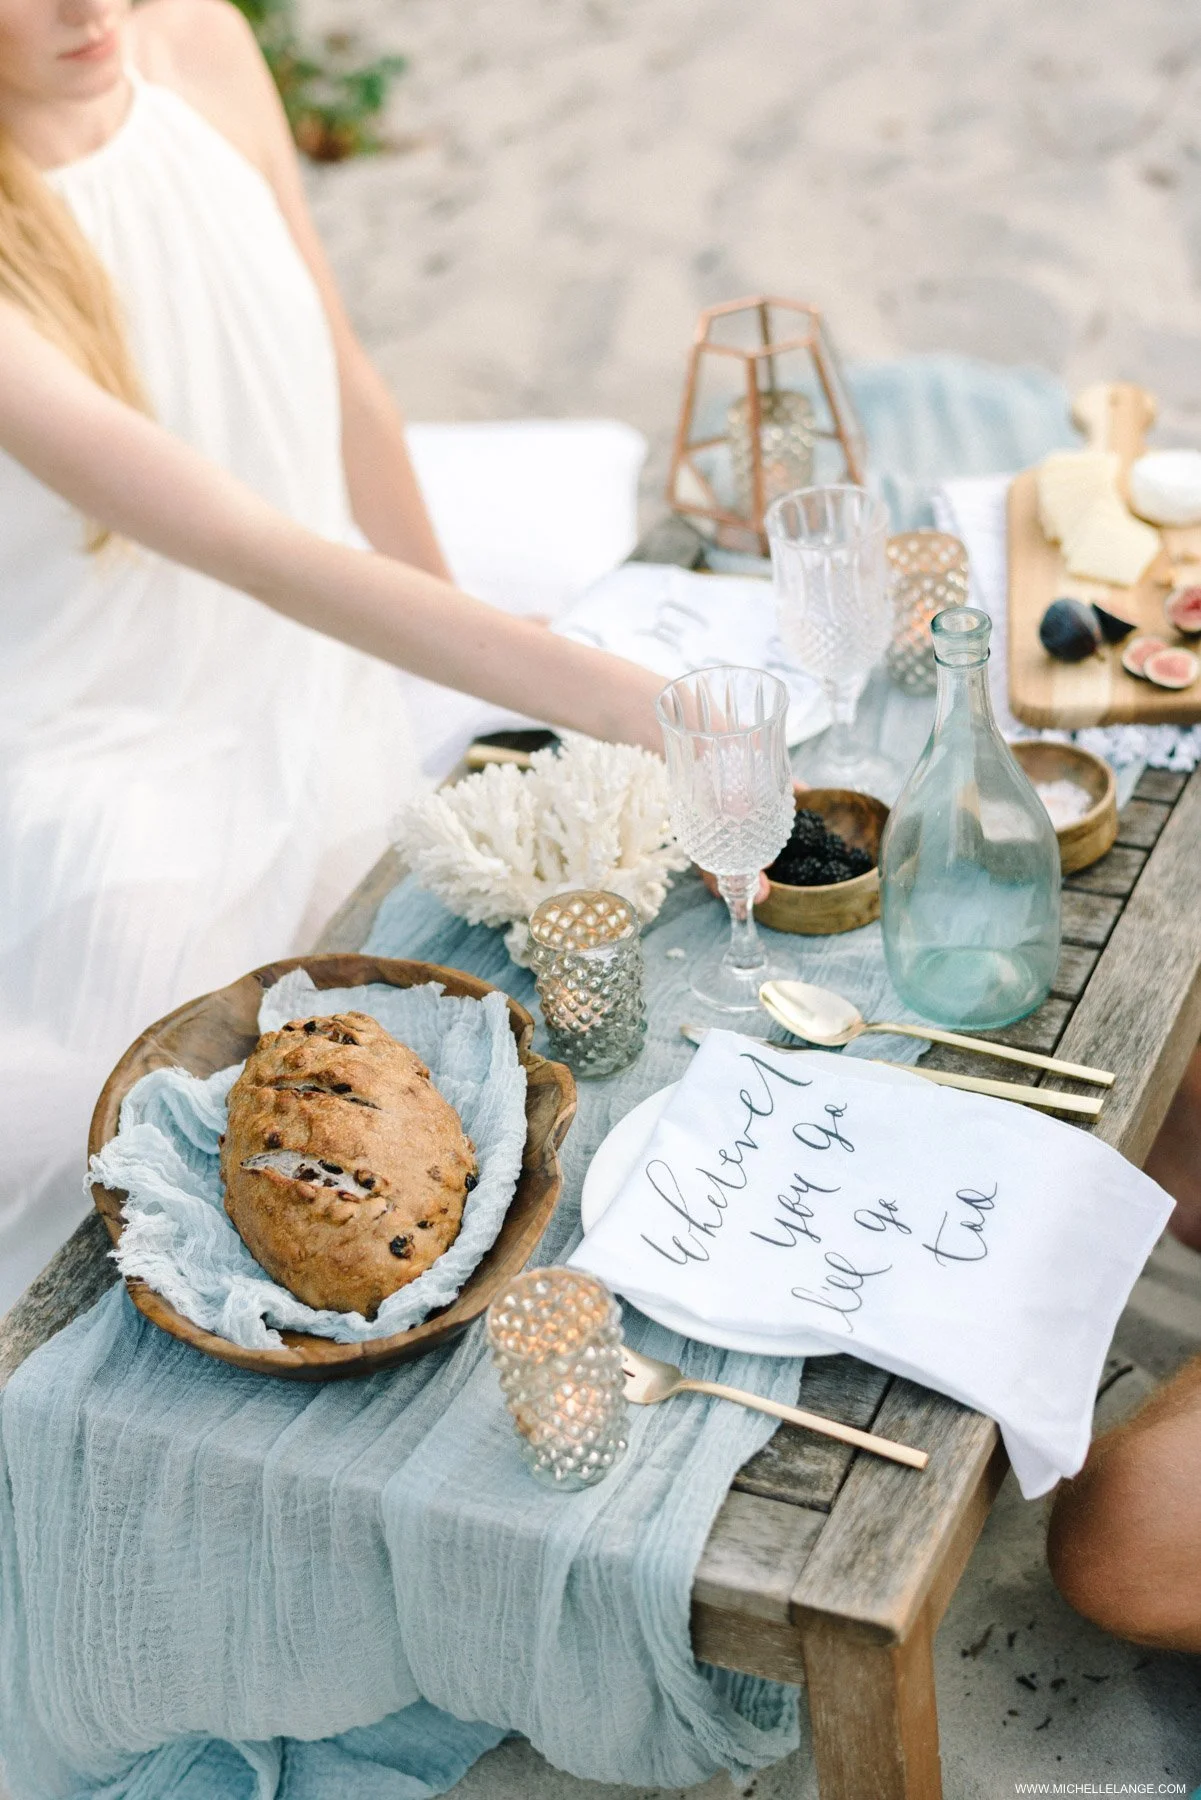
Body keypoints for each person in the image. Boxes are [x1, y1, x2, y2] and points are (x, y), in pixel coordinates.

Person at [0, 0, 665, 1308]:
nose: (89, 7)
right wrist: (623, 698)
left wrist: (462, 626)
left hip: (315, 655)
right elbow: (250, 546)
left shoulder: (194, 42)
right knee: (147, 1033)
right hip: (122, 702)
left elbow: (341, 374)